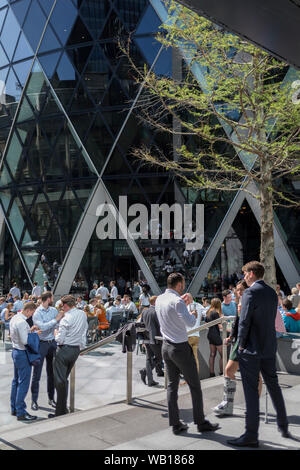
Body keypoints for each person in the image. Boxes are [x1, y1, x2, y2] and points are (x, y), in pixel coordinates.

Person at [227, 261, 290, 448]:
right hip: (269, 347)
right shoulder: (272, 293)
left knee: (251, 392)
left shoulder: (249, 293)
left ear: (252, 273)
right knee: (274, 386)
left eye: (245, 273)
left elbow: (244, 322)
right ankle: (283, 425)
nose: (244, 276)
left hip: (251, 350)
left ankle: (251, 435)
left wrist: (240, 346)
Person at [155, 272, 219, 435]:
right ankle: (201, 422)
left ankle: (175, 424)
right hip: (180, 347)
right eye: (183, 283)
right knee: (195, 386)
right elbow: (190, 323)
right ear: (179, 285)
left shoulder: (160, 299)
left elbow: (170, 316)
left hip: (166, 347)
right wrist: (193, 312)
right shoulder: (177, 301)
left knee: (172, 387)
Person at [213, 280, 265, 415]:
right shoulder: (239, 303)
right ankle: (227, 404)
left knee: (255, 375)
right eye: (237, 289)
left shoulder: (255, 301)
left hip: (253, 341)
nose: (238, 292)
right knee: (229, 370)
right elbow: (237, 321)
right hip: (239, 341)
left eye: (241, 289)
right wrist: (231, 337)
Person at [49, 295, 88, 418]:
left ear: (65, 306)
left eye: (62, 306)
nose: (62, 309)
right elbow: (84, 330)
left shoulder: (66, 318)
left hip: (64, 350)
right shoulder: (82, 314)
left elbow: (60, 339)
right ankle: (62, 408)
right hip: (75, 350)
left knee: (59, 381)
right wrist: (82, 346)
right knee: (63, 380)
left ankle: (60, 411)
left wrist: (55, 333)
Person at [31, 292, 64, 411]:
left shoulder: (53, 310)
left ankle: (51, 398)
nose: (53, 299)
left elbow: (57, 325)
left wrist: (55, 326)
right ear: (48, 299)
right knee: (37, 374)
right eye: (52, 298)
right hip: (41, 344)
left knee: (52, 373)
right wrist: (55, 320)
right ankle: (34, 401)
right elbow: (43, 327)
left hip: (52, 343)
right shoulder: (37, 313)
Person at [10, 301, 38, 421]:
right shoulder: (22, 322)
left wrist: (30, 331)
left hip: (15, 351)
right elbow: (25, 341)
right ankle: (21, 411)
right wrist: (35, 334)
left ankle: (14, 408)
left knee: (16, 381)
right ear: (28, 310)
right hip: (22, 353)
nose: (31, 315)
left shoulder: (15, 318)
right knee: (23, 383)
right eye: (32, 312)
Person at [139, 296, 164, 387]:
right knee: (160, 357)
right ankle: (145, 371)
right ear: (154, 302)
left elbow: (141, 324)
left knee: (149, 359)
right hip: (156, 339)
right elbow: (160, 326)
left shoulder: (145, 311)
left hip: (147, 338)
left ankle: (150, 380)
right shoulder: (156, 312)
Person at [205, 298, 223, 377]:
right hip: (216, 335)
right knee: (223, 354)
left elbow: (206, 323)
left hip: (210, 334)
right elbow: (220, 326)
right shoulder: (216, 313)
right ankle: (222, 372)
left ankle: (211, 373)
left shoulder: (208, 312)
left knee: (212, 354)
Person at [185, 294, 202, 374]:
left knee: (186, 359)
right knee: (195, 358)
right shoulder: (199, 306)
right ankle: (196, 375)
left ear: (187, 299)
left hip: (188, 335)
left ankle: (188, 377)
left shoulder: (186, 307)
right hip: (196, 335)